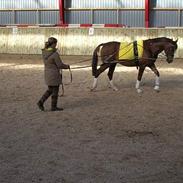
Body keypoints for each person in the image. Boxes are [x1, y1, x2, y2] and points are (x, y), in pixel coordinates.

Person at [37, 37, 70, 111]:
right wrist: (67, 66)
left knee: (50, 89)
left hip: (47, 73)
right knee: (55, 90)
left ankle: (42, 102)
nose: (56, 45)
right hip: (54, 74)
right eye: (56, 44)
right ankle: (52, 106)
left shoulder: (44, 52)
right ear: (53, 44)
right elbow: (60, 65)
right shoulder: (55, 54)